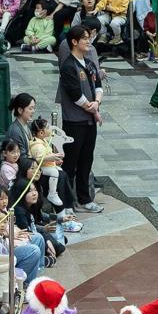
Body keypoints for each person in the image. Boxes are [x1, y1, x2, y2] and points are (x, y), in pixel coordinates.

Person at [57, 26, 103, 214]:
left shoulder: (89, 63)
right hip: (74, 122)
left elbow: (98, 85)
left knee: (86, 160)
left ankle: (85, 199)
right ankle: (67, 203)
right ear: (74, 42)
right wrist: (92, 108)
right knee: (70, 163)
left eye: (88, 37)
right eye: (84, 38)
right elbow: (75, 94)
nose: (88, 41)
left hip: (90, 122)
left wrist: (96, 103)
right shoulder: (68, 66)